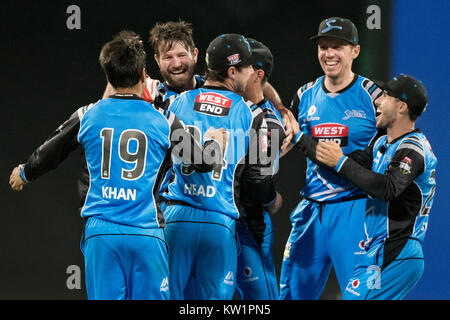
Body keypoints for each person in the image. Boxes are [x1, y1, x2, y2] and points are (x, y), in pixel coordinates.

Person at [9, 30, 226, 299]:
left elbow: (51, 152)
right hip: (146, 234)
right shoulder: (163, 120)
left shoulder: (88, 115)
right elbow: (203, 163)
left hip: (102, 235)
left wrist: (24, 173)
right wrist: (214, 142)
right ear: (144, 74)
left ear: (108, 76)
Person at [162, 33, 282, 300]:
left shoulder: (176, 103)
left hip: (176, 219)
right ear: (232, 71)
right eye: (248, 67)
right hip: (218, 222)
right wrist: (271, 200)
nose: (252, 73)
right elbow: (257, 180)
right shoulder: (251, 113)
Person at [279, 17, 384, 300]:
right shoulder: (304, 95)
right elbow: (282, 145)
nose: (329, 54)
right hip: (312, 210)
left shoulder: (374, 95)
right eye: (324, 46)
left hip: (356, 211)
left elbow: (395, 143)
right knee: (290, 295)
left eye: (337, 47)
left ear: (355, 51)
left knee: (365, 297)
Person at [309, 74, 436, 299]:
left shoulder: (412, 150)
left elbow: (387, 188)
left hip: (397, 251)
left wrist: (340, 161)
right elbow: (345, 167)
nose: (377, 101)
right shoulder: (381, 144)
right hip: (377, 251)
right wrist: (298, 137)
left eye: (385, 96)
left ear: (401, 107)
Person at [235, 38, 285, 300]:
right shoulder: (227, 105)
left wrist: (270, 198)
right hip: (219, 224)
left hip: (248, 227)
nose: (229, 71)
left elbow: (257, 184)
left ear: (257, 74)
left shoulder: (268, 122)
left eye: (238, 66)